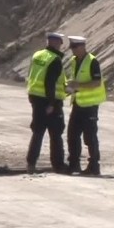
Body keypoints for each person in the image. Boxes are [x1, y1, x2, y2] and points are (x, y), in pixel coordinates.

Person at [25, 32, 68, 174]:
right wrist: (51, 103)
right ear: (56, 43)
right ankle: (58, 165)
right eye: (60, 43)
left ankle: (31, 163)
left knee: (37, 132)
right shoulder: (54, 59)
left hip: (35, 98)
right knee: (55, 133)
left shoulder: (37, 55)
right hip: (50, 100)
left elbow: (32, 74)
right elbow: (49, 82)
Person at [65, 36, 107, 176]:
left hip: (90, 105)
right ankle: (74, 164)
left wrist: (78, 86)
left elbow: (96, 82)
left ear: (82, 47)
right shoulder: (74, 61)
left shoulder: (92, 61)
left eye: (75, 47)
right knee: (72, 135)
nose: (73, 51)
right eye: (72, 48)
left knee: (90, 136)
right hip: (78, 103)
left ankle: (94, 165)